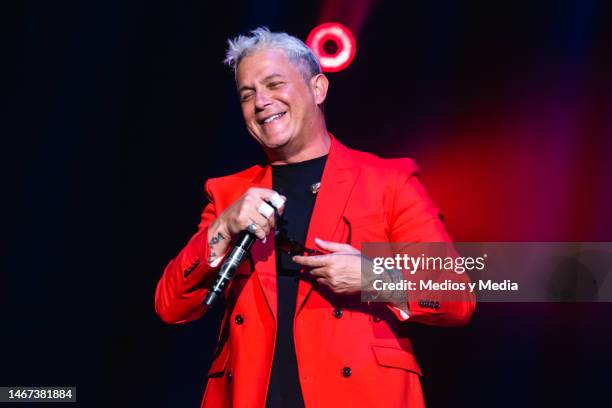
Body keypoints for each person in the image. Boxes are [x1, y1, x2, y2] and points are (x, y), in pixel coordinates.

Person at [155, 27, 475, 408]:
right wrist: (223, 227)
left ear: (318, 88)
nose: (261, 102)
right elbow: (171, 305)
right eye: (247, 94)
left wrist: (374, 278)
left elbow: (456, 298)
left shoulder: (387, 181)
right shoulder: (229, 194)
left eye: (274, 84)